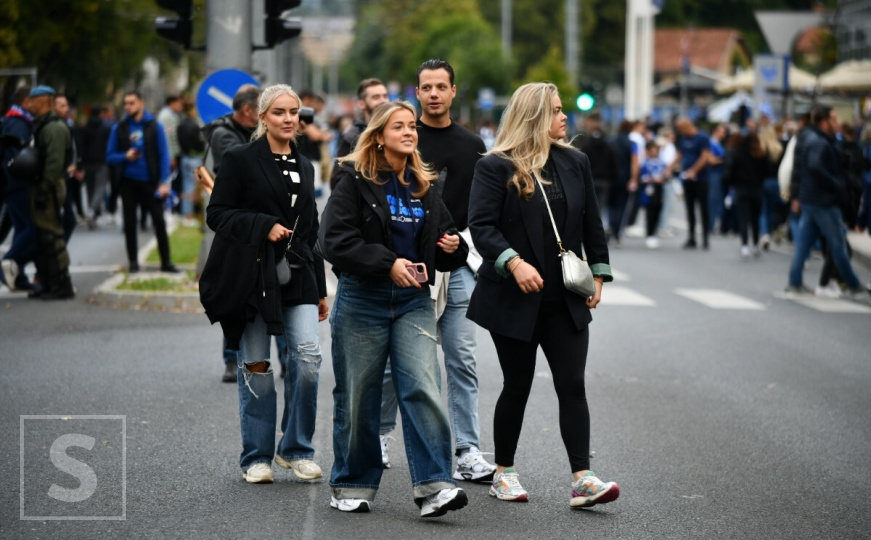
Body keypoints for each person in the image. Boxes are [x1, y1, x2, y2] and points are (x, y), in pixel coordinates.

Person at [467, 82, 620, 508]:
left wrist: (599, 275)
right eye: (555, 110)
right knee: (516, 385)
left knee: (572, 384)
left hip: (565, 298)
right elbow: (482, 227)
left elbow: (592, 223)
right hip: (514, 298)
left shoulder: (576, 162)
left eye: (562, 109)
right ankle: (504, 472)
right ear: (534, 116)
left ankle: (582, 478)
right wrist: (514, 263)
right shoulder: (495, 166)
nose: (564, 117)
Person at [322, 101, 470, 517]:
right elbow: (333, 241)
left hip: (413, 301)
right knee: (357, 394)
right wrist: (387, 263)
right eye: (399, 126)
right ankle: (352, 482)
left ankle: (435, 485)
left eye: (412, 126)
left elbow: (446, 245)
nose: (409, 132)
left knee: (423, 387)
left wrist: (453, 247)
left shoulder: (425, 185)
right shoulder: (355, 181)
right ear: (379, 135)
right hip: (362, 299)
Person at [203, 84, 329, 485]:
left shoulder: (305, 164)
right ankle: (256, 456)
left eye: (294, 112)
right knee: (256, 367)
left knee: (307, 360)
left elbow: (310, 231)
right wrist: (263, 225)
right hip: (254, 279)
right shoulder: (240, 159)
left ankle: (295, 449)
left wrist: (322, 289)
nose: (289, 119)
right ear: (262, 118)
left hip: (299, 277)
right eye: (279, 112)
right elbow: (218, 214)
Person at [377, 59, 496, 482]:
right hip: (410, 263)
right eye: (426, 87)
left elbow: (484, 208)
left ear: (453, 91)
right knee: (397, 359)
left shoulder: (472, 144)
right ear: (417, 93)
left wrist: (461, 243)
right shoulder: (405, 137)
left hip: (458, 262)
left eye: (441, 86)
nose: (433, 94)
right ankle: (380, 436)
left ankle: (466, 449)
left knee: (462, 358)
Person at [200, 84, 263, 384]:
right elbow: (244, 167)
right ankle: (231, 358)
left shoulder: (248, 131)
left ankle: (287, 361)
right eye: (263, 111)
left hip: (261, 220)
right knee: (236, 293)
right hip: (236, 225)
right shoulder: (223, 133)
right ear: (248, 111)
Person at [787, 105, 868, 301]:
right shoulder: (819, 142)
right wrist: (837, 184)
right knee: (838, 244)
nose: (838, 122)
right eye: (834, 119)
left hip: (812, 200)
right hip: (823, 201)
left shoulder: (812, 138)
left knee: (804, 246)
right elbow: (815, 167)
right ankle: (854, 285)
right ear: (824, 122)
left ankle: (794, 282)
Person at [105, 91, 177, 274]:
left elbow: (163, 155)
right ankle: (133, 263)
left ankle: (166, 262)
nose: (128, 107)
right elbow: (110, 156)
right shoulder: (119, 127)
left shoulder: (154, 126)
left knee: (159, 221)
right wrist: (125, 156)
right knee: (130, 223)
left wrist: (163, 182)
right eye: (126, 104)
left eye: (132, 103)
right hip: (127, 182)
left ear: (141, 103)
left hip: (150, 182)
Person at [25, 85, 75, 300]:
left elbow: (54, 164)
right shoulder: (43, 125)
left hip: (50, 187)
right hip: (43, 186)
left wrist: (44, 190)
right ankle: (47, 282)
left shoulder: (53, 127)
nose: (29, 105)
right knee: (42, 238)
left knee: (52, 236)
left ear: (43, 101)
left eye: (32, 100)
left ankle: (61, 284)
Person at [0, 86, 36, 292]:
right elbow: (19, 157)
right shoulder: (18, 123)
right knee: (32, 228)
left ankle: (18, 276)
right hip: (18, 184)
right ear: (26, 101)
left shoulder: (10, 120)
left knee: (21, 228)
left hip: (11, 184)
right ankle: (10, 261)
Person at [329, 78, 388, 189]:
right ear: (361, 103)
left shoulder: (396, 131)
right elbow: (337, 181)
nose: (383, 101)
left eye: (385, 96)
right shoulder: (352, 137)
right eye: (376, 97)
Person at [725, 133, 771, 258]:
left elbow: (731, 172)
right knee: (755, 219)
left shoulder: (738, 154)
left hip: (742, 189)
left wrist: (733, 183)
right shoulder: (761, 154)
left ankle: (744, 245)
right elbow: (767, 171)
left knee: (744, 218)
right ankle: (755, 245)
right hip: (757, 190)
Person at [671, 117, 712, 249]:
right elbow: (679, 155)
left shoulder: (702, 138)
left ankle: (705, 238)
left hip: (701, 179)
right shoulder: (683, 139)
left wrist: (693, 170)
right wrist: (668, 169)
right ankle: (692, 237)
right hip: (687, 180)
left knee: (703, 209)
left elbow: (705, 156)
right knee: (690, 210)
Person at [79, 105, 112, 228]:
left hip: (87, 162)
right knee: (100, 187)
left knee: (90, 188)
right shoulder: (106, 129)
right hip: (101, 161)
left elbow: (81, 145)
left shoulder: (84, 128)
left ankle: (91, 212)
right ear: (100, 114)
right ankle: (92, 210)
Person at [175, 99, 205, 220]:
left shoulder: (180, 125)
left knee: (186, 184)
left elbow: (170, 132)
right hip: (195, 159)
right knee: (199, 185)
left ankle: (186, 213)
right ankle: (194, 213)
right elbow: (199, 142)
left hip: (184, 158)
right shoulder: (194, 126)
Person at [640, 140, 667, 248]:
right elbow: (642, 177)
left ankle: (654, 233)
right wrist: (650, 179)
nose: (654, 152)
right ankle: (649, 234)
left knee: (658, 211)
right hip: (649, 190)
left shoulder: (662, 163)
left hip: (658, 190)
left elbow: (666, 176)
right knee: (649, 212)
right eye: (652, 150)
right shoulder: (645, 163)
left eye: (656, 150)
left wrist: (663, 178)